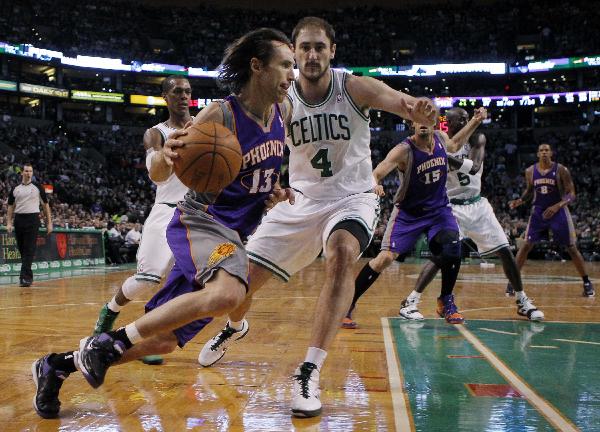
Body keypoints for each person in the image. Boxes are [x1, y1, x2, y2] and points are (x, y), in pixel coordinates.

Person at [31, 27, 296, 419]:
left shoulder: (284, 111)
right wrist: (165, 154)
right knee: (229, 294)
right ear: (257, 67)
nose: (292, 74)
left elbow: (261, 173)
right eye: (285, 65)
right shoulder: (219, 114)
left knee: (163, 342)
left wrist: (274, 191)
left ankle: (57, 366)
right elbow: (158, 169)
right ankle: (107, 342)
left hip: (232, 234)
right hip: (202, 222)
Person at [197, 17, 437, 418]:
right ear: (293, 53)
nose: (311, 55)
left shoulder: (353, 86)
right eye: (303, 48)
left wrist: (421, 108)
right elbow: (257, 140)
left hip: (352, 198)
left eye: (318, 47)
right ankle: (234, 326)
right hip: (300, 202)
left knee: (342, 253)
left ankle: (308, 370)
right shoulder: (282, 98)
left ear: (332, 51)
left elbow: (403, 102)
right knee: (240, 287)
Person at [346, 107, 543, 324]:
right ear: (412, 124)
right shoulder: (404, 150)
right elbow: (377, 172)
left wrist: (476, 120)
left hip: (439, 210)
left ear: (434, 124)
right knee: (384, 259)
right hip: (409, 213)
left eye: (427, 119)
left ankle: (446, 301)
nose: (422, 123)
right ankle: (348, 303)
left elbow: (456, 144)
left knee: (453, 246)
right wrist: (377, 185)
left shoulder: (441, 138)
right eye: (417, 120)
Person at [92, 75, 193, 365]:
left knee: (194, 281)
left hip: (198, 212)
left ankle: (150, 335)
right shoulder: (155, 133)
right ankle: (110, 311)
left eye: (187, 91)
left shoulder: (205, 126)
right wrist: (168, 151)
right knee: (148, 279)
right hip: (166, 209)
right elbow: (156, 174)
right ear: (165, 97)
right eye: (177, 91)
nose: (183, 96)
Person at [509, 143, 594, 297]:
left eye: (547, 150)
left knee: (571, 247)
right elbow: (529, 191)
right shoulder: (530, 171)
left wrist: (557, 206)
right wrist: (519, 201)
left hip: (558, 210)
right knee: (526, 245)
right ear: (537, 154)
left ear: (551, 153)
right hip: (539, 211)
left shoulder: (561, 170)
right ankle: (513, 282)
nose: (544, 153)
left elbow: (571, 194)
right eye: (541, 150)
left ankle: (587, 282)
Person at [6, 163, 52, 287]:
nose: (28, 173)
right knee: (22, 249)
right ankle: (28, 275)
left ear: (32, 173)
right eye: (26, 171)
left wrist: (49, 223)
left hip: (33, 219)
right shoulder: (15, 188)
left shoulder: (38, 187)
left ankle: (24, 278)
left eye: (30, 171)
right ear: (22, 172)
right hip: (19, 219)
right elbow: (10, 206)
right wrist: (9, 222)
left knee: (29, 249)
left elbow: (45, 206)